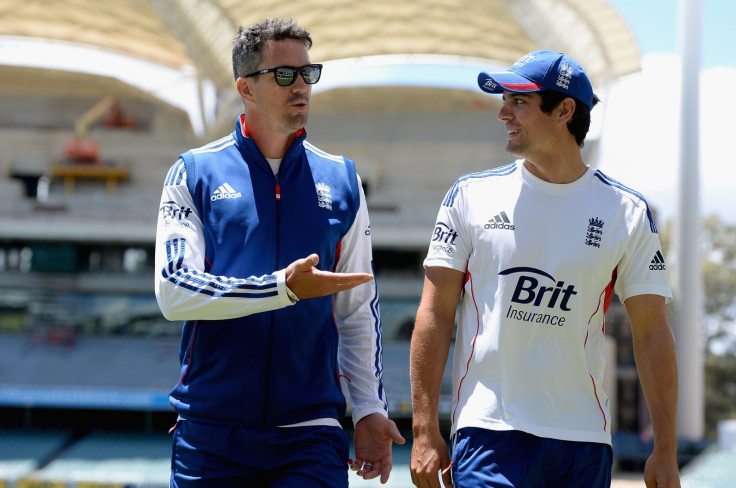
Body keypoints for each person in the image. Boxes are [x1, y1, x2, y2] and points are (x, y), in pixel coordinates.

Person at [409, 50, 680, 488]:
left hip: (583, 439)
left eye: (519, 101)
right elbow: (434, 314)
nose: (502, 113)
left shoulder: (626, 212)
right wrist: (424, 430)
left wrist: (665, 450)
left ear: (564, 111)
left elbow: (652, 332)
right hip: (489, 431)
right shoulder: (469, 195)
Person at [154, 18, 404, 488]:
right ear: (245, 88)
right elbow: (173, 291)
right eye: (284, 75)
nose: (301, 87)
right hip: (210, 432)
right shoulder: (193, 173)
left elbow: (356, 310)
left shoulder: (344, 180)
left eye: (308, 74)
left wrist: (369, 408)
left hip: (310, 435)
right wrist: (281, 289)